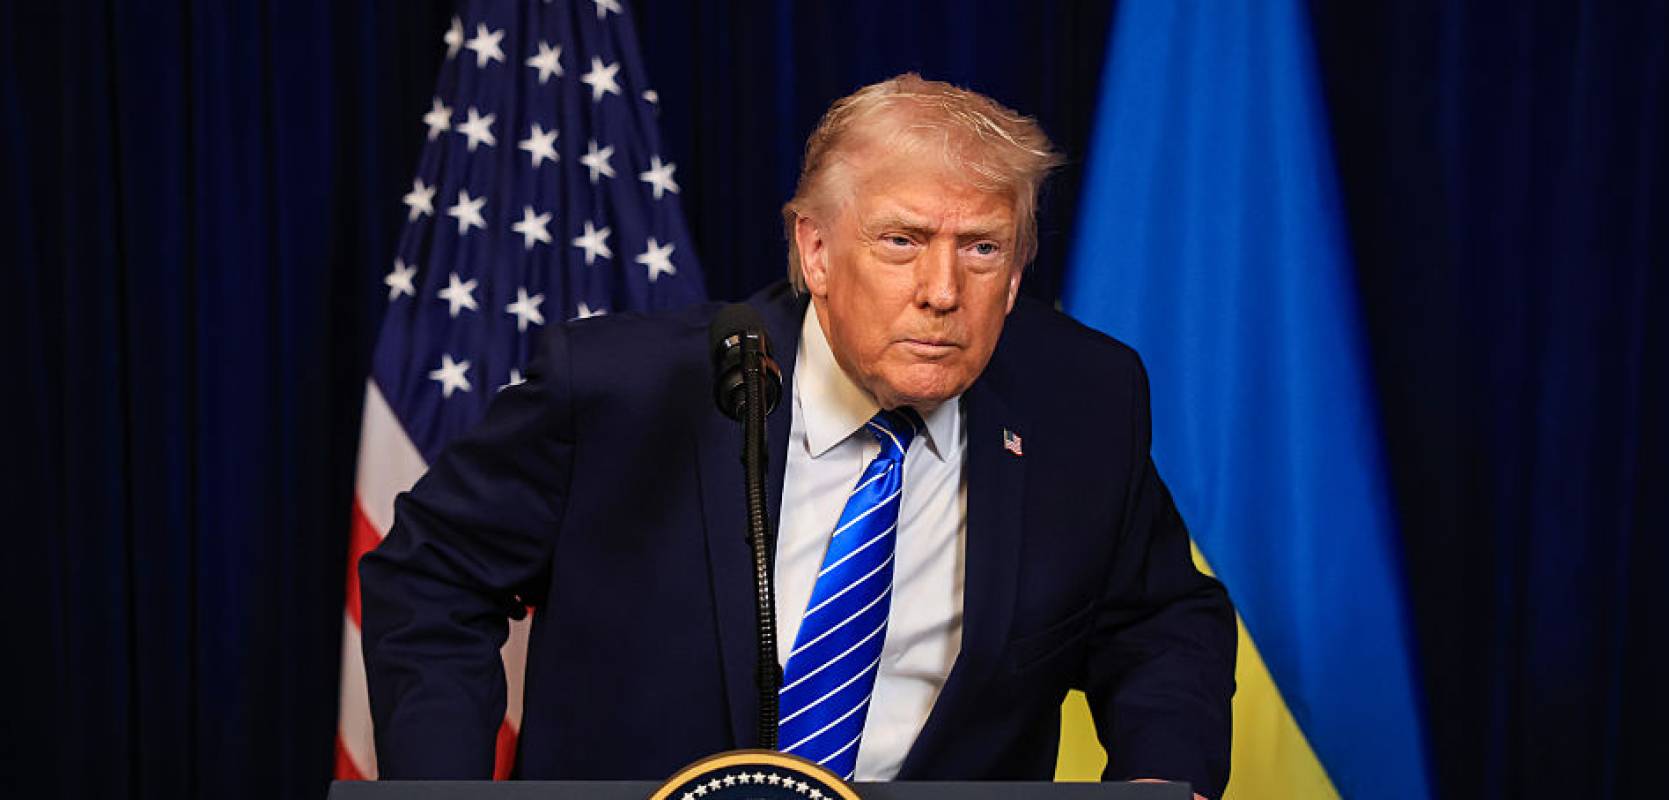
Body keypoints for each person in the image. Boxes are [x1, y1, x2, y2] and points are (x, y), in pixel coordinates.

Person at [360, 74, 1236, 799]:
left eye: (982, 249)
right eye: (902, 241)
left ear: (1015, 275)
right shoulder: (626, 392)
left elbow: (1159, 617)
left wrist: (1164, 776)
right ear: (815, 250)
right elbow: (432, 574)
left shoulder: (1083, 401)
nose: (942, 290)